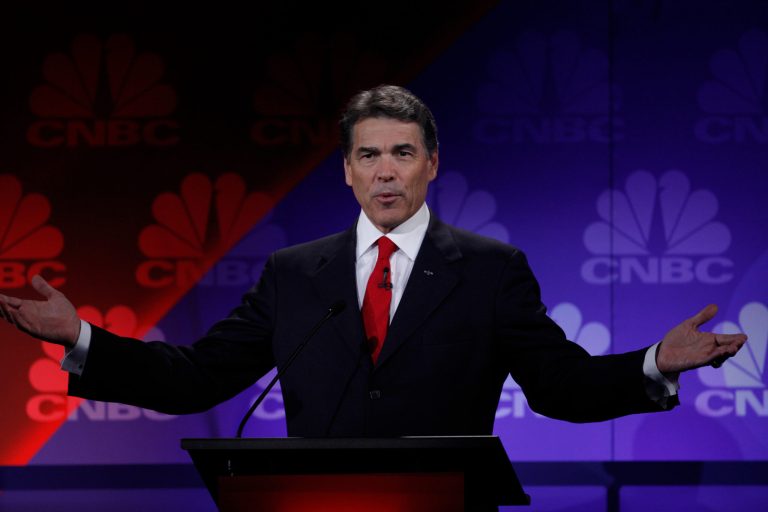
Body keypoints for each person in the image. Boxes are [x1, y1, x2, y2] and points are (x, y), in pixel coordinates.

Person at [0, 85, 747, 438]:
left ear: (431, 165)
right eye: (368, 156)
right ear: (348, 173)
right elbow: (196, 377)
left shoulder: (491, 270)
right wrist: (81, 339)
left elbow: (558, 386)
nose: (386, 172)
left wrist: (655, 362)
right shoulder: (294, 274)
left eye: (402, 153)